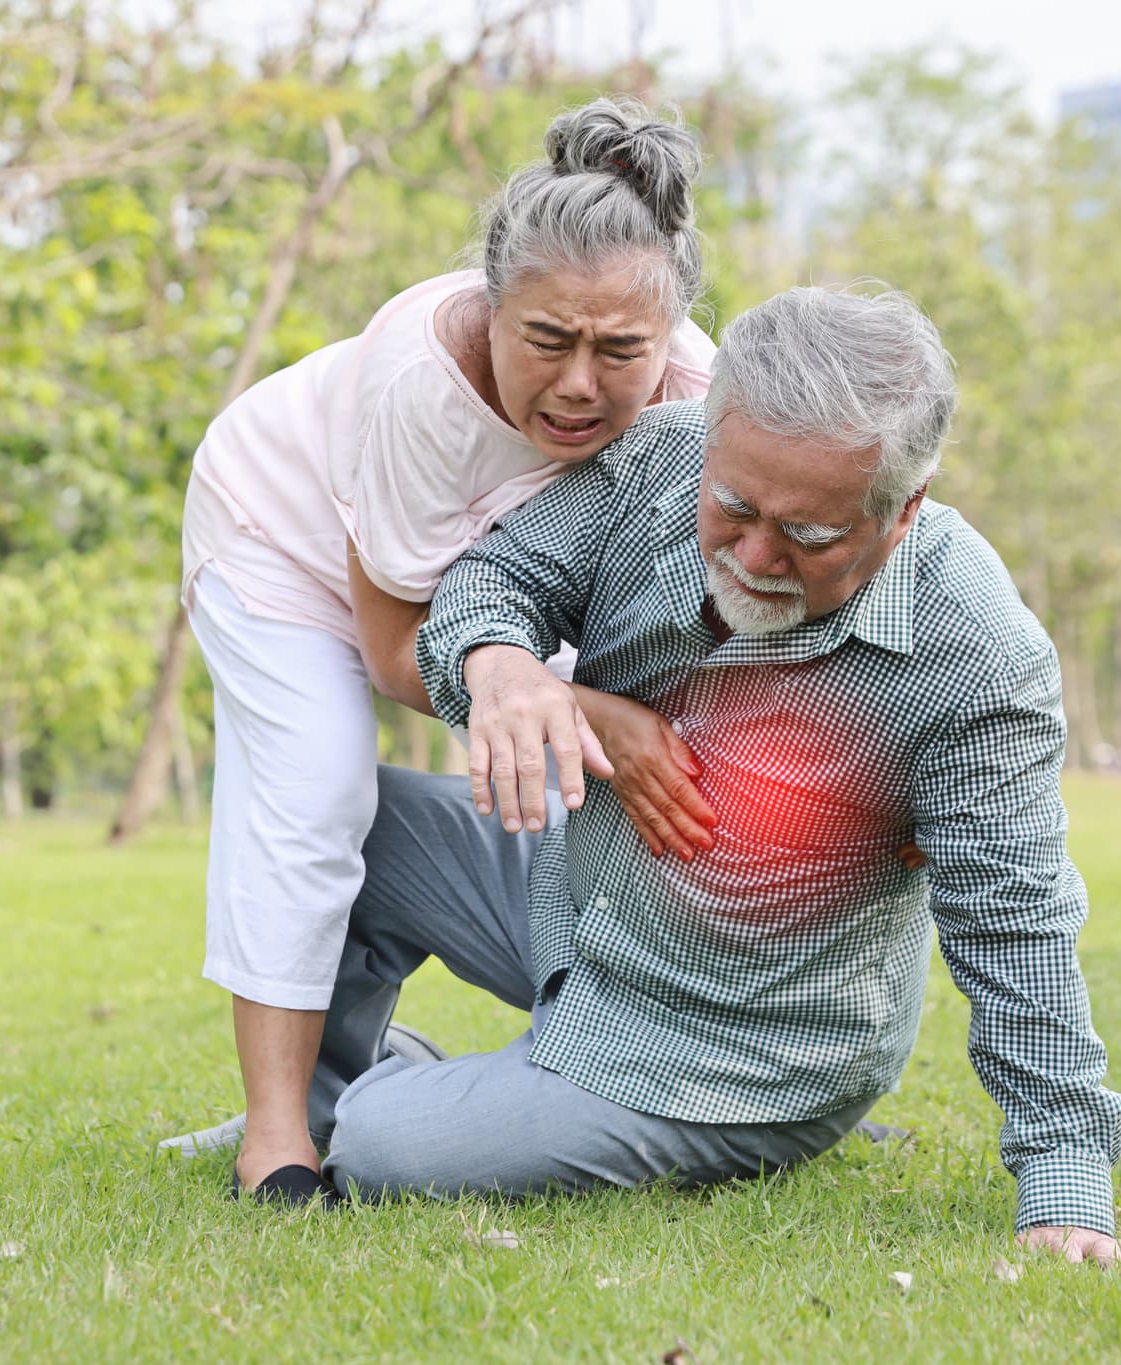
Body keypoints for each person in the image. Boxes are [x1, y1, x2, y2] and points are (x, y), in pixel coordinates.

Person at [303, 284, 1121, 1267]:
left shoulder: (978, 662)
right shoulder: (651, 460)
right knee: (339, 817)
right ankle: (288, 1122)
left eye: (809, 535)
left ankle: (384, 1106)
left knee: (379, 1145)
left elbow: (1014, 918)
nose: (751, 555)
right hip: (573, 896)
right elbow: (493, 583)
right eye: (733, 505)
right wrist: (504, 667)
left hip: (726, 1053)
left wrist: (1064, 1183)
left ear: (901, 512)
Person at [178, 98, 720, 1204]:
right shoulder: (418, 387)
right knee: (317, 787)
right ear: (491, 304)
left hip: (477, 605)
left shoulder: (697, 398)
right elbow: (389, 653)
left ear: (665, 340)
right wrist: (586, 709)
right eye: (546, 342)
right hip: (280, 543)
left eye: (618, 351)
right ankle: (276, 1140)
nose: (579, 385)